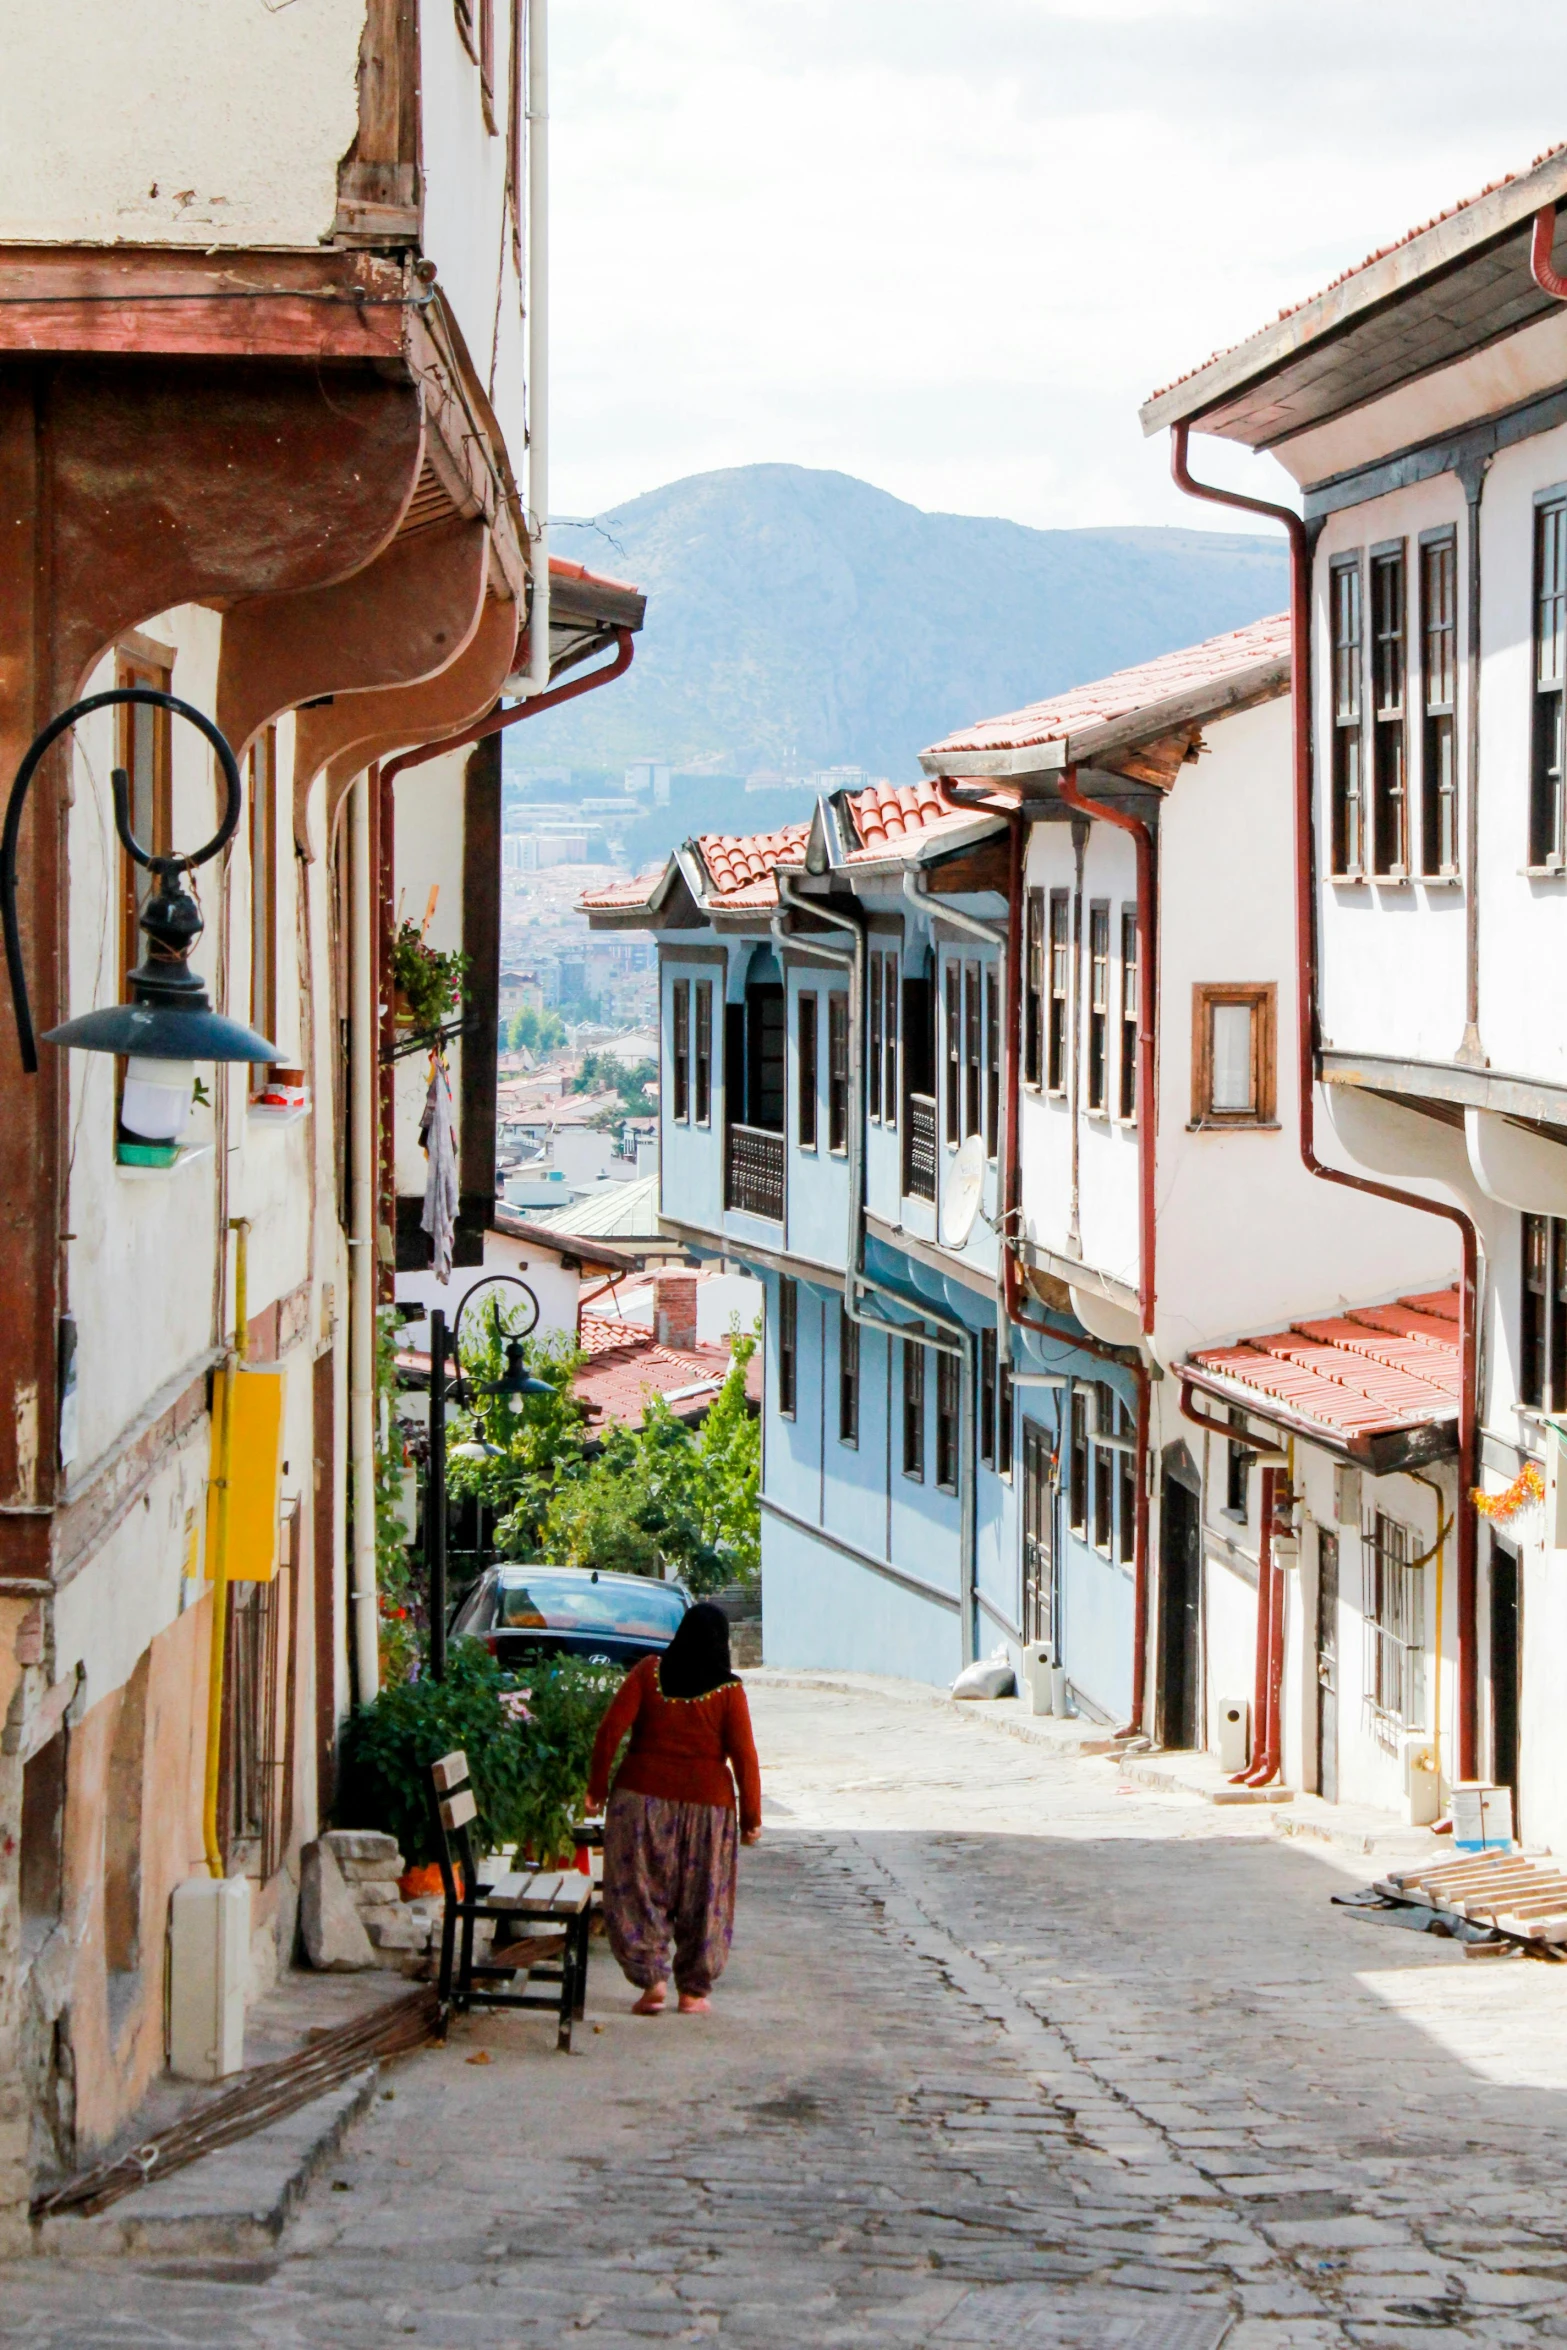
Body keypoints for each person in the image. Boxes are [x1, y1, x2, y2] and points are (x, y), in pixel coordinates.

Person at [586, 1600, 762, 2015]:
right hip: (709, 1810)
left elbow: (611, 1730)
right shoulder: (729, 1691)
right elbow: (745, 1758)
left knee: (639, 1889)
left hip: (639, 1800)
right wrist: (751, 1819)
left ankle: (652, 1984)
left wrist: (596, 1787)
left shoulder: (649, 1672)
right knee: (705, 1898)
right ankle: (694, 1992)